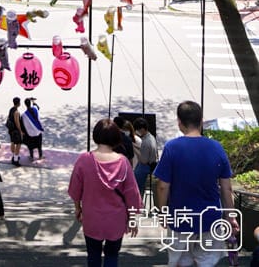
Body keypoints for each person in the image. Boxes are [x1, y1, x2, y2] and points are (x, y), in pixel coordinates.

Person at [154, 100, 238, 267]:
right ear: (201, 121)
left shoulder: (172, 148)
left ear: (179, 122)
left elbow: (163, 186)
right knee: (206, 262)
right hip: (210, 219)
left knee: (181, 261)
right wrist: (231, 216)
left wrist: (163, 212)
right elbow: (226, 188)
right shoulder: (217, 148)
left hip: (180, 218)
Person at [68, 117, 141, 267]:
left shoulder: (84, 160)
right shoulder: (123, 162)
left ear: (96, 135)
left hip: (92, 218)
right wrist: (132, 219)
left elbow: (75, 189)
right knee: (112, 256)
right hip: (116, 220)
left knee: (93, 256)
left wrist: (78, 208)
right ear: (116, 137)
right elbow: (132, 194)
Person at [133, 117, 157, 195]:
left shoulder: (146, 142)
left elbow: (143, 161)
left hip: (146, 166)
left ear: (142, 129)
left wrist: (134, 148)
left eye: (137, 130)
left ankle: (138, 195)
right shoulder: (151, 137)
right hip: (151, 163)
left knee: (134, 180)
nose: (136, 132)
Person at [6, 96, 23, 166]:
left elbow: (8, 118)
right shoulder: (16, 112)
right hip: (15, 131)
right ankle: (16, 160)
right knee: (18, 144)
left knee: (12, 142)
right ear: (18, 103)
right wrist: (20, 131)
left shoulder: (11, 109)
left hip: (11, 130)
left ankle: (13, 156)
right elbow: (17, 123)